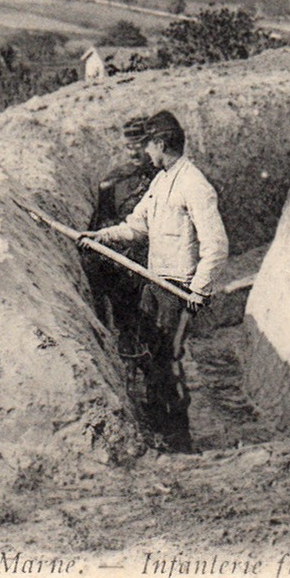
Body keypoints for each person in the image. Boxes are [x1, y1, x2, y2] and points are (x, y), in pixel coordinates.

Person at [81, 111, 228, 453]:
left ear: (162, 144)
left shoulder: (194, 185)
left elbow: (216, 246)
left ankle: (180, 439)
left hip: (177, 290)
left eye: (148, 145)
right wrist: (100, 236)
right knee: (151, 359)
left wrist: (198, 290)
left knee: (170, 362)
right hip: (154, 284)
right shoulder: (162, 182)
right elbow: (136, 226)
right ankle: (159, 425)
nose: (145, 152)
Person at [83, 116, 160, 409]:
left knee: (160, 340)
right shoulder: (113, 183)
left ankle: (160, 403)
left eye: (139, 146)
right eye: (129, 147)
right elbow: (100, 229)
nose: (133, 153)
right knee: (129, 329)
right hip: (126, 270)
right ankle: (135, 395)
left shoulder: (168, 179)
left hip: (159, 267)